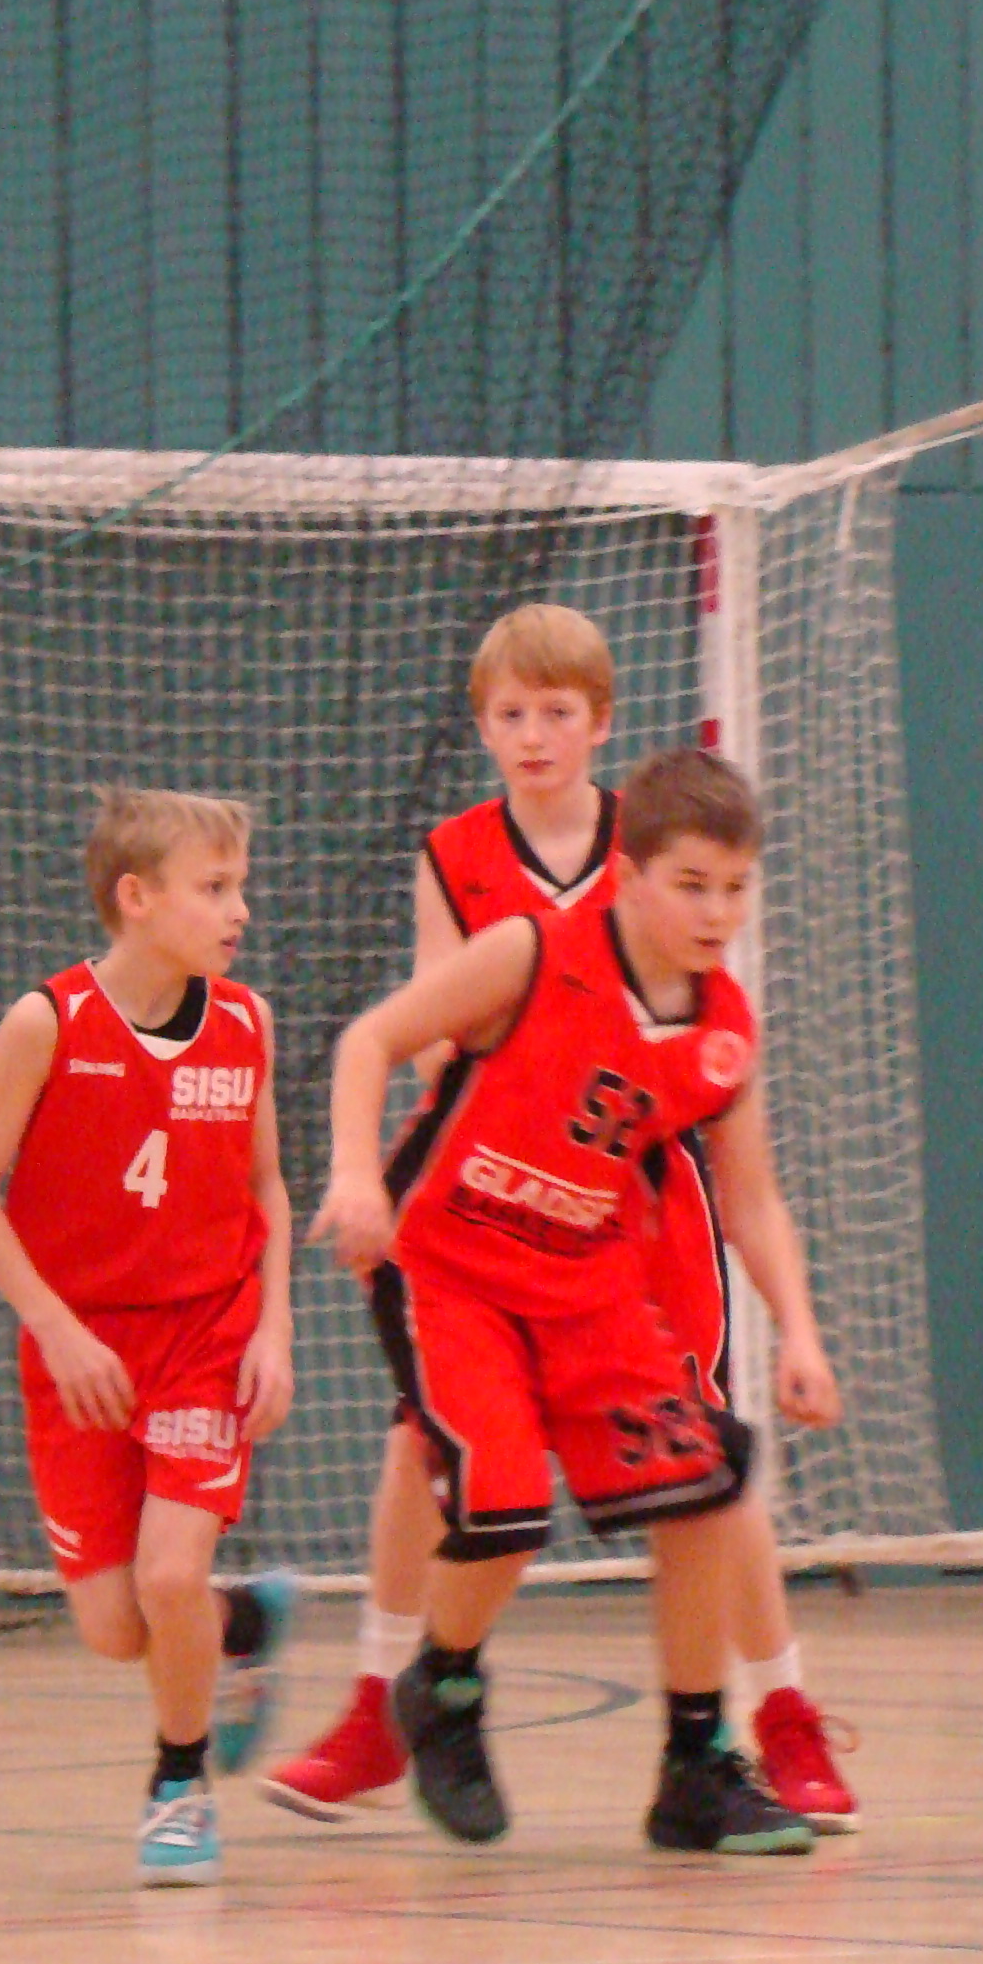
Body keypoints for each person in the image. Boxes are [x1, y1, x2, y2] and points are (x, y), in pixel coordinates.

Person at [269, 604, 858, 1828]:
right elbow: (383, 1037)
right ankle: (423, 1690)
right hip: (458, 1251)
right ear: (631, 879)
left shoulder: (720, 1020)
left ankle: (711, 1756)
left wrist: (800, 1331)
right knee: (487, 1487)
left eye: (735, 890)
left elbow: (751, 1196)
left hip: (602, 1260)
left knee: (702, 1477)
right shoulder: (521, 940)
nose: (715, 910)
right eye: (692, 886)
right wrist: (357, 1175)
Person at [0, 788, 300, 1886]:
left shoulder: (245, 1022)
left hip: (203, 1333)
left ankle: (178, 1786)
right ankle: (242, 1628)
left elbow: (268, 1188)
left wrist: (274, 1331)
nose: (239, 910)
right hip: (83, 1352)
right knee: (114, 1625)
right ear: (136, 898)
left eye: (240, 886)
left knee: (168, 1576)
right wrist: (53, 1328)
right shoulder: (45, 1023)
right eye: (215, 888)